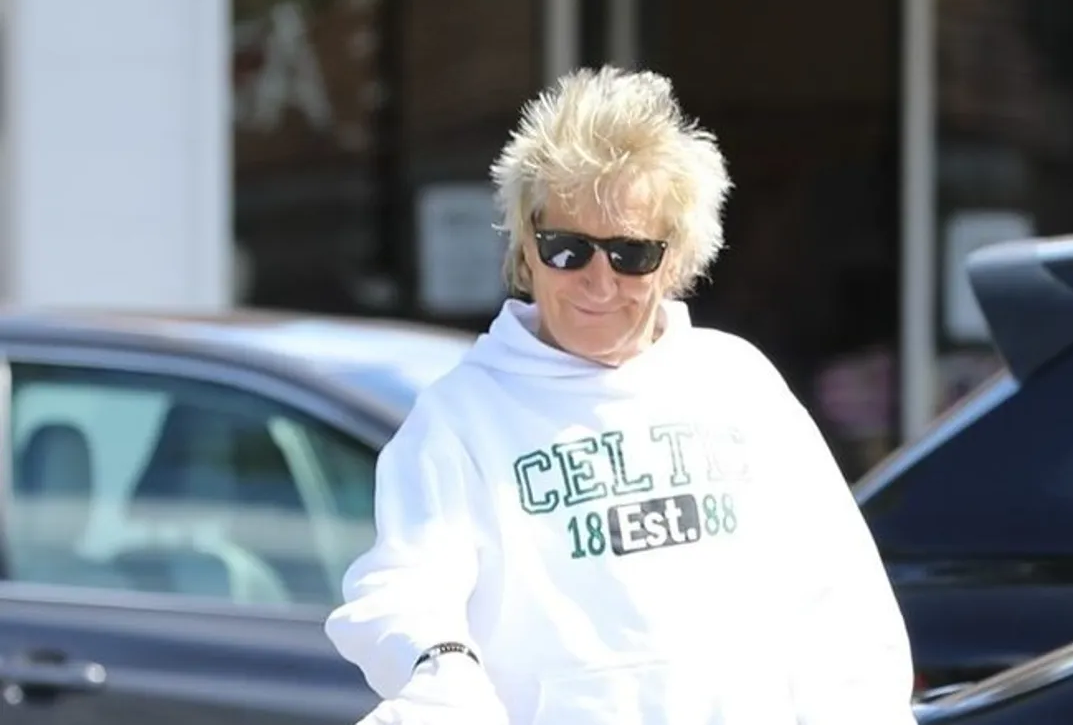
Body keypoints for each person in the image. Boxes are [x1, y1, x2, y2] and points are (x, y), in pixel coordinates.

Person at [325, 66, 917, 725]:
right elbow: (402, 590)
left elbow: (839, 601)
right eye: (567, 248)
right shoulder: (462, 416)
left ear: (677, 258)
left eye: (630, 253)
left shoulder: (736, 384)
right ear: (526, 245)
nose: (597, 283)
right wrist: (441, 671)